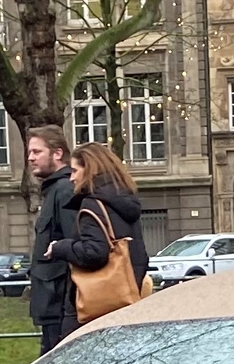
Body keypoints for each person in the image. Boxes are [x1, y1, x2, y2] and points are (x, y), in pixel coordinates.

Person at [25, 126, 85, 350]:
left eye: (37, 152)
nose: (30, 158)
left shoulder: (65, 190)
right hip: (52, 306)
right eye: (29, 152)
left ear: (57, 153)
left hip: (62, 308)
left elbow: (77, 246)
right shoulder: (54, 190)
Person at [67, 141, 151, 295]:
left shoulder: (92, 203)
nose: (71, 178)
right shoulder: (126, 198)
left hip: (100, 296)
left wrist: (63, 247)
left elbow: (94, 253)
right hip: (129, 290)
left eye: (74, 171)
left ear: (90, 170)